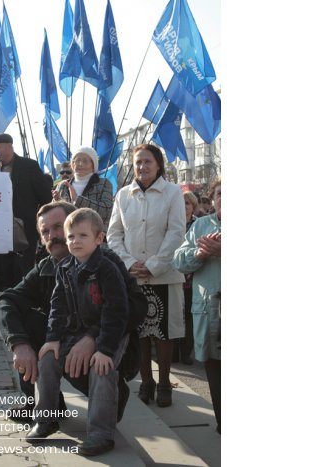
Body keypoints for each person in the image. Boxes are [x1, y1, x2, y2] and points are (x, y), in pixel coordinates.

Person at [0, 201, 138, 425]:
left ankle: (112, 397)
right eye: (45, 231)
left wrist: (93, 337)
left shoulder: (107, 263)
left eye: (58, 227)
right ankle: (43, 403)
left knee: (82, 355)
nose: (52, 235)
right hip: (69, 342)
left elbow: (134, 306)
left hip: (106, 349)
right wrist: (18, 344)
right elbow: (6, 301)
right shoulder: (46, 267)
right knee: (26, 322)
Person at [26, 208, 129, 457]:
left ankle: (101, 433)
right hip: (75, 333)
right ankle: (46, 418)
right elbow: (57, 307)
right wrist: (51, 339)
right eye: (71, 236)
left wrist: (104, 349)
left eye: (83, 235)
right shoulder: (65, 267)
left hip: (110, 333)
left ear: (99, 238)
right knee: (47, 358)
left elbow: (117, 311)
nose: (75, 241)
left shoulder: (106, 268)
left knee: (101, 368)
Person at [107, 143, 186, 408]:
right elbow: (113, 234)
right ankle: (146, 382)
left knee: (164, 333)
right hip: (132, 276)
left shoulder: (172, 192)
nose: (142, 167)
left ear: (158, 164)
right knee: (139, 332)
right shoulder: (123, 195)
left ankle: (164, 383)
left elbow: (176, 232)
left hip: (163, 273)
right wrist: (129, 263)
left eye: (147, 162)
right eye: (138, 162)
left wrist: (153, 264)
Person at [173, 177, 221, 434]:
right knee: (213, 365)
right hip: (210, 310)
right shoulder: (202, 225)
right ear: (213, 199)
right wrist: (200, 254)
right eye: (220, 193)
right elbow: (179, 260)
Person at [0, 133, 52, 290]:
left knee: (22, 271)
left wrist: (34, 219)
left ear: (10, 145)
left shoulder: (29, 166)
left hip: (24, 229)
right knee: (4, 271)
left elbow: (45, 196)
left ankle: (24, 305)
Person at [52, 146, 114, 231]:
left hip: (93, 237)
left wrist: (77, 200)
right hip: (67, 236)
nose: (80, 164)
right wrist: (57, 202)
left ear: (93, 165)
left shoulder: (103, 183)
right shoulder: (62, 185)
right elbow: (53, 215)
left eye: (85, 161)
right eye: (77, 161)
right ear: (72, 165)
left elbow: (107, 211)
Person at [176, 190, 200, 365]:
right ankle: (173, 353)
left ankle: (186, 352)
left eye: (187, 203)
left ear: (193, 206)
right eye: (181, 202)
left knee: (189, 317)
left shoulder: (199, 225)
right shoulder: (172, 223)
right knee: (176, 315)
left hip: (192, 279)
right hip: (174, 275)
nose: (184, 206)